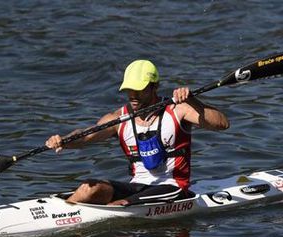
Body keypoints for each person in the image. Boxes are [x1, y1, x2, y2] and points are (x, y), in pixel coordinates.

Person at [45, 60, 229, 206]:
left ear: (154, 87)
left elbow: (222, 123)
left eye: (138, 89)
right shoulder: (119, 118)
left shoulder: (178, 109)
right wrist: (64, 140)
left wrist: (194, 101)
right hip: (137, 186)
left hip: (173, 186)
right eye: (129, 89)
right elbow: (87, 135)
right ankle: (64, 214)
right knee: (87, 189)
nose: (133, 95)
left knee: (118, 205)